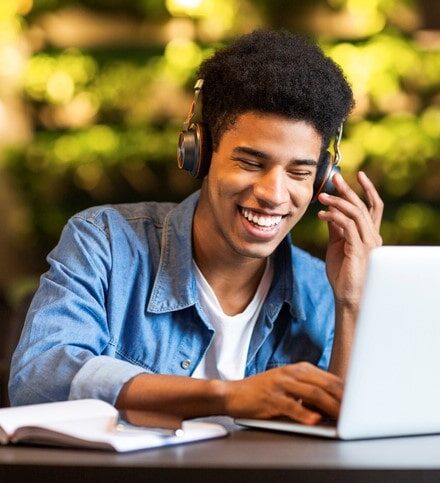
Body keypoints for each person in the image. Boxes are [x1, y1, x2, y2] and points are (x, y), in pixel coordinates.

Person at [9, 30, 383, 425]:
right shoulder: (104, 243)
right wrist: (227, 397)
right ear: (200, 154)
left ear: (322, 179)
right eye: (251, 163)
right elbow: (37, 380)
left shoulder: (321, 291)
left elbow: (344, 438)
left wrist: (355, 301)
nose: (274, 194)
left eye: (299, 172)